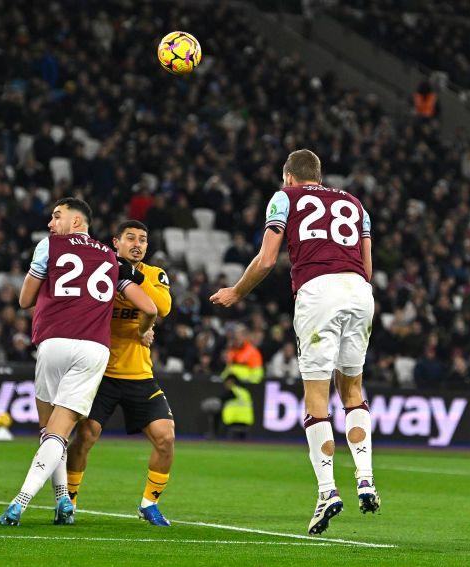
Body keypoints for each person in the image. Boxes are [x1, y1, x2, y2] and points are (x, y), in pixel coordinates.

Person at [210, 149, 379, 535]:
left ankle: (327, 491)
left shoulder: (284, 197)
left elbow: (268, 259)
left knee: (316, 396)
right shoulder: (355, 204)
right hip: (359, 292)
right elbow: (368, 268)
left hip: (319, 292)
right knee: (353, 388)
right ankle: (366, 478)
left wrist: (237, 291)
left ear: (289, 176)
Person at [0, 199, 156, 526]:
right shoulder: (111, 257)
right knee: (60, 432)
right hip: (94, 350)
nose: (51, 223)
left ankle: (21, 500)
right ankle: (62, 503)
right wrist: (144, 332)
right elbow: (150, 308)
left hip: (54, 342)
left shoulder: (50, 246)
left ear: (76, 221)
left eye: (57, 216)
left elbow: (24, 300)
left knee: (50, 433)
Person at [65, 220, 174, 526]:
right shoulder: (101, 273)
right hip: (102, 374)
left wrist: (134, 275)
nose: (137, 243)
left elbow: (162, 306)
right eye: (130, 238)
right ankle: (69, 501)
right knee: (86, 437)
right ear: (115, 242)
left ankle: (149, 504)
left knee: (166, 438)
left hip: (140, 374)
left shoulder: (154, 274)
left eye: (142, 239)